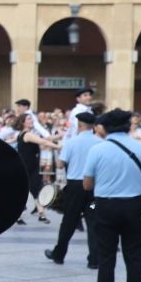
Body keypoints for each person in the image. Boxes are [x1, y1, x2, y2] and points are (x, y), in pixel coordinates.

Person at [84, 109, 141, 282]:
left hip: (106, 206)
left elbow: (87, 184)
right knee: (134, 258)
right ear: (128, 126)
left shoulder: (97, 149)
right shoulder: (139, 147)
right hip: (133, 205)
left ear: (106, 127)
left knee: (106, 258)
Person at [46, 111, 99, 267]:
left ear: (80, 125)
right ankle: (94, 259)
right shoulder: (100, 143)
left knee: (69, 221)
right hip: (93, 189)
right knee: (93, 221)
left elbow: (60, 164)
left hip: (75, 188)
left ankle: (59, 254)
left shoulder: (71, 142)